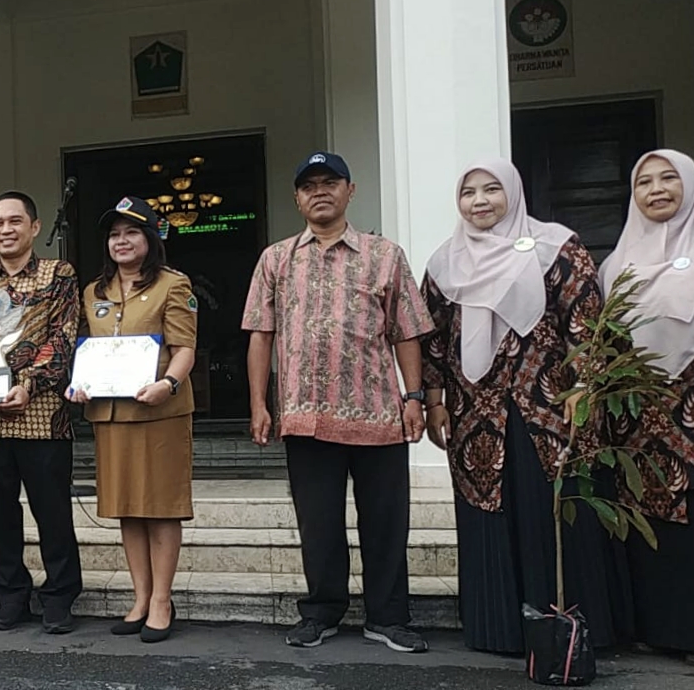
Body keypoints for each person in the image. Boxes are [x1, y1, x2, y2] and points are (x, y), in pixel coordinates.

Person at [420, 159, 632, 653]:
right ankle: (499, 630)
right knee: (487, 508)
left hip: (549, 409)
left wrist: (585, 389)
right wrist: (433, 400)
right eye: (468, 192)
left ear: (513, 192)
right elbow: (431, 338)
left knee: (551, 510)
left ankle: (567, 629)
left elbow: (586, 323)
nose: (480, 201)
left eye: (492, 189)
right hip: (476, 415)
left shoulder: (555, 247)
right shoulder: (444, 263)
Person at [243, 152, 433, 653]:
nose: (320, 192)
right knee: (319, 524)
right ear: (297, 198)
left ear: (351, 191)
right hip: (305, 416)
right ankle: (322, 610)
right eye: (309, 186)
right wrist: (259, 404)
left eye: (330, 182)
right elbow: (261, 335)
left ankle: (389, 617)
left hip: (379, 413)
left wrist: (414, 397)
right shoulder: (276, 259)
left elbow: (407, 332)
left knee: (387, 522)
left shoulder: (385, 255)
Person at [0, 191, 83, 634]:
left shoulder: (57, 275)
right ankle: (10, 594)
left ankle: (59, 596)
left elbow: (64, 338)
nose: (6, 229)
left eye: (14, 221)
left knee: (52, 510)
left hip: (42, 414)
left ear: (34, 227)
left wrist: (28, 384)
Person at [67, 196, 196, 644]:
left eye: (132, 233)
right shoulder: (93, 292)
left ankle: (162, 599)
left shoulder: (173, 285)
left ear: (151, 238)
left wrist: (169, 384)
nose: (121, 242)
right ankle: (140, 598)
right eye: (114, 234)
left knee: (160, 508)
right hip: (110, 414)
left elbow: (184, 349)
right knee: (127, 508)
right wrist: (76, 384)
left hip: (158, 411)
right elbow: (90, 353)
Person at [600, 149, 694, 657]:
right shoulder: (616, 265)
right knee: (650, 520)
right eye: (644, 183)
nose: (657, 190)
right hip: (639, 421)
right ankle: (658, 629)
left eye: (668, 179)